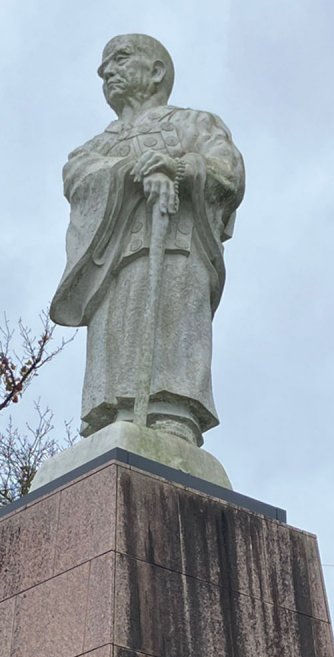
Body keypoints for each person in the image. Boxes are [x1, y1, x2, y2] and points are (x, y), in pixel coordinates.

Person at [50, 34, 244, 447]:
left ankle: (172, 415)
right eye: (104, 66)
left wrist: (180, 168)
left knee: (173, 329)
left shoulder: (194, 124)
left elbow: (228, 171)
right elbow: (78, 177)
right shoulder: (97, 146)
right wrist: (132, 169)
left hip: (177, 250)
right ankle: (110, 418)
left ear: (155, 71)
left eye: (119, 59)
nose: (106, 72)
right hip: (114, 262)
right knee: (114, 338)